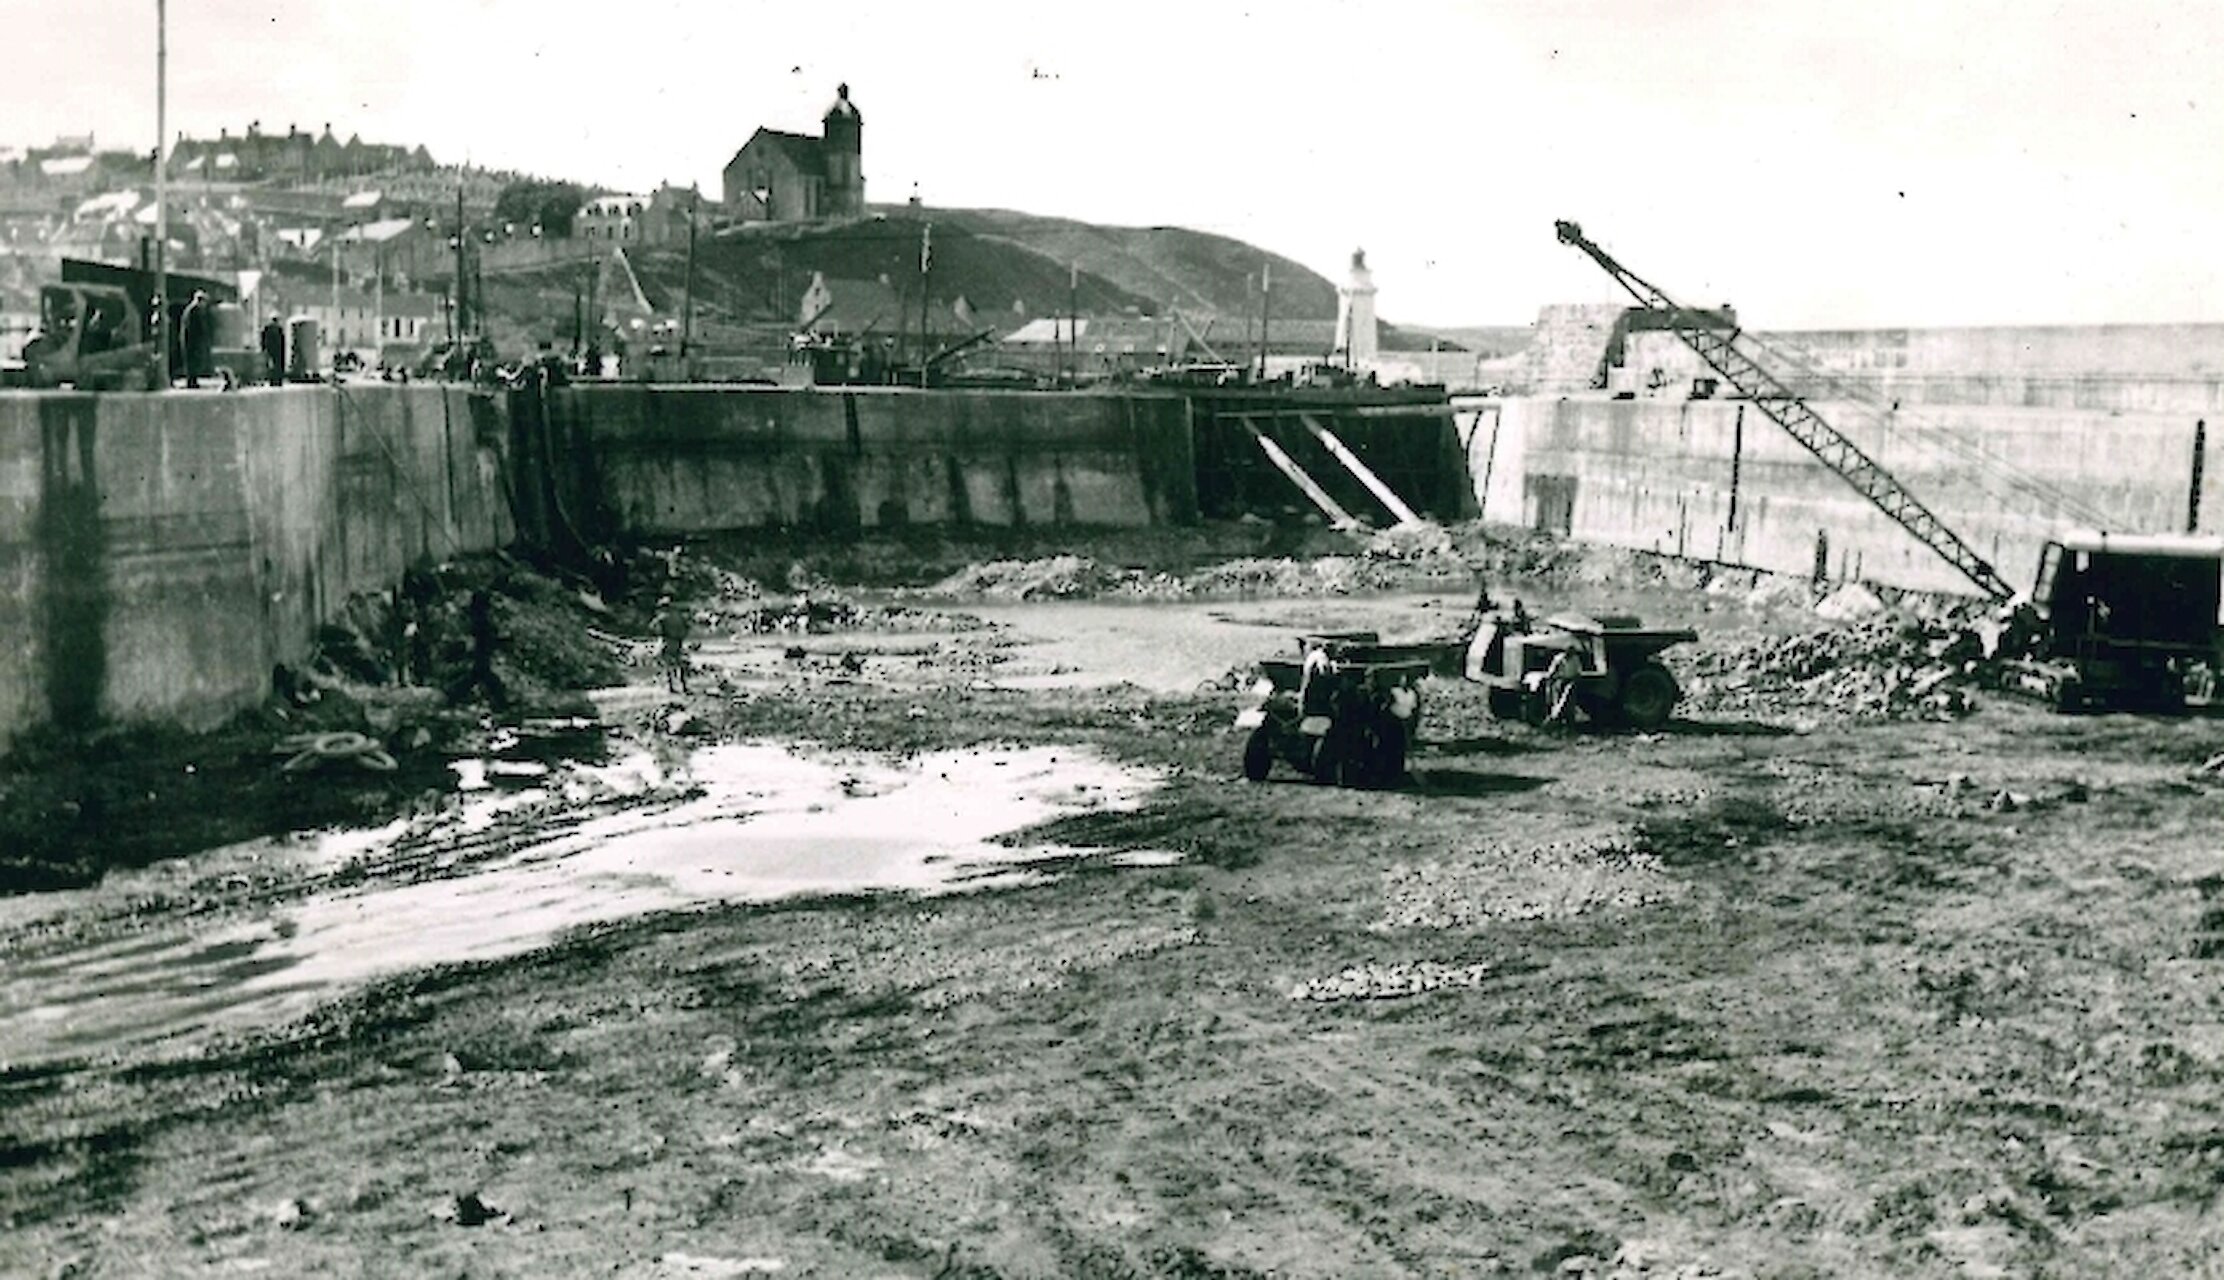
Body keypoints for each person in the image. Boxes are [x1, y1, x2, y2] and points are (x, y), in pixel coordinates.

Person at [653, 596, 691, 694]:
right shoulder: (679, 616)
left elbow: (654, 628)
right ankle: (684, 686)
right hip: (678, 642)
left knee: (668, 665)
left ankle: (671, 687)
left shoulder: (662, 618)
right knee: (681, 665)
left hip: (667, 642)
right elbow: (687, 627)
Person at [179, 290, 213, 389]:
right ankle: (191, 381)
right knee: (192, 362)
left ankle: (193, 380)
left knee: (194, 362)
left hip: (192, 340)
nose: (205, 305)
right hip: (192, 341)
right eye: (204, 302)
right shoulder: (194, 310)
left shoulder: (193, 310)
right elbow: (196, 327)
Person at [261, 317, 287, 386]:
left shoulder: (267, 328)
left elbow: (263, 339)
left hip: (270, 349)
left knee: (270, 365)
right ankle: (278, 380)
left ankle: (272, 380)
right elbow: (282, 341)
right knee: (277, 366)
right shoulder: (279, 329)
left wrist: (263, 348)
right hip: (278, 350)